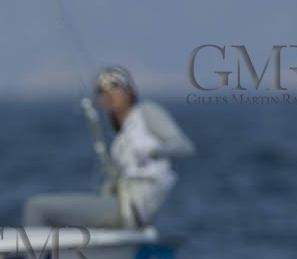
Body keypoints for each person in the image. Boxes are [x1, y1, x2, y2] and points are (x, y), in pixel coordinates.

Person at [22, 66, 194, 228]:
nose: (109, 93)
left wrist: (153, 152)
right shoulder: (121, 136)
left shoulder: (146, 112)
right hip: (125, 205)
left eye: (115, 85)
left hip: (133, 208)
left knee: (36, 207)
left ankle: (33, 257)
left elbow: (184, 146)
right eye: (101, 90)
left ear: (129, 90)